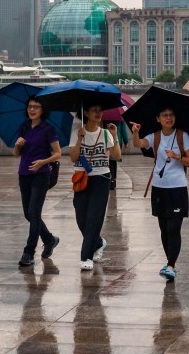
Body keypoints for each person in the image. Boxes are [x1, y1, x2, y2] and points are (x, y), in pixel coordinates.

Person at [129, 107, 189, 281]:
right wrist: (135, 132)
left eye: (171, 115)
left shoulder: (182, 136)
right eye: (165, 115)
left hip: (177, 187)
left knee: (174, 228)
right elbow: (138, 144)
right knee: (164, 229)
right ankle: (169, 263)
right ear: (158, 119)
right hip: (159, 188)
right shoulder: (155, 136)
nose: (168, 118)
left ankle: (171, 264)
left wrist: (177, 156)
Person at [69, 104, 121, 271]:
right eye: (94, 110)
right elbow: (73, 158)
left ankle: (86, 256)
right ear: (86, 112)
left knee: (94, 217)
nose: (99, 113)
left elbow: (117, 156)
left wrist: (115, 136)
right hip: (81, 179)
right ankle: (98, 242)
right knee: (81, 218)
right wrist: (79, 139)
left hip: (101, 179)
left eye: (100, 110)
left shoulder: (105, 133)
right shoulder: (76, 132)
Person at [12, 97, 61, 267]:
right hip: (24, 174)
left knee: (34, 213)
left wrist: (43, 162)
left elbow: (58, 153)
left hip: (41, 174)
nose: (32, 110)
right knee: (28, 214)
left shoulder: (48, 129)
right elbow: (16, 154)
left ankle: (29, 252)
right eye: (30, 106)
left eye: (36, 107)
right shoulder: (24, 127)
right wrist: (17, 145)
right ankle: (49, 239)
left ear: (42, 110)